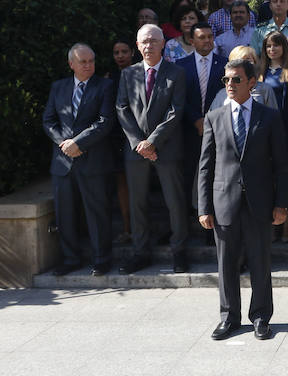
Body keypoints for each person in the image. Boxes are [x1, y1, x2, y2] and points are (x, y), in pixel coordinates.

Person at [198, 58, 288, 341]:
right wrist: (203, 207)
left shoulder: (269, 117)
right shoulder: (215, 117)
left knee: (260, 262)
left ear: (252, 82)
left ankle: (261, 317)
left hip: (259, 202)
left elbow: (280, 165)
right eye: (226, 80)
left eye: (236, 79)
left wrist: (281, 203)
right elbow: (206, 164)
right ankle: (229, 318)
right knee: (226, 265)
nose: (229, 85)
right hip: (224, 202)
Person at [116, 24, 188, 274]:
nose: (148, 46)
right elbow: (122, 109)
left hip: (166, 148)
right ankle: (140, 251)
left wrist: (153, 141)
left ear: (163, 44)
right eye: (144, 42)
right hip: (136, 151)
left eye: (153, 41)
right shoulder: (128, 74)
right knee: (137, 203)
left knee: (174, 201)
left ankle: (179, 251)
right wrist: (139, 143)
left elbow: (176, 111)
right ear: (137, 46)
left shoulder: (176, 73)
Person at [42, 43, 116, 276]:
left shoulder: (105, 86)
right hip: (63, 162)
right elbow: (49, 120)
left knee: (97, 213)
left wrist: (79, 143)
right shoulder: (59, 87)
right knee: (65, 214)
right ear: (71, 64)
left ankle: (101, 259)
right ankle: (70, 259)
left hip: (92, 160)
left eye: (91, 61)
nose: (88, 65)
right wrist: (66, 143)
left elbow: (105, 121)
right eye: (83, 62)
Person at [175, 23, 226, 222]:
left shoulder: (224, 64)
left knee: (213, 174)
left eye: (209, 37)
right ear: (192, 41)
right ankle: (188, 218)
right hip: (189, 129)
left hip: (217, 128)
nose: (207, 41)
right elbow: (179, 98)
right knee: (188, 174)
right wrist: (196, 119)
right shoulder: (181, 65)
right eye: (202, 37)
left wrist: (210, 120)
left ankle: (211, 222)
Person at [259, 31, 288, 243]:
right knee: (268, 177)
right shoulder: (259, 72)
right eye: (268, 46)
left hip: (287, 131)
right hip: (265, 134)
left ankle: (287, 223)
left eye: (276, 45)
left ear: (284, 47)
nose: (272, 49)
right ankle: (272, 222)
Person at [108, 40, 134, 243]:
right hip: (116, 136)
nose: (120, 56)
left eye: (124, 51)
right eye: (116, 52)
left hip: (139, 135)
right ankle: (127, 227)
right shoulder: (109, 79)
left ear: (132, 52)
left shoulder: (139, 73)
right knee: (122, 181)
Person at [210, 46, 279, 110]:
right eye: (240, 61)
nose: (244, 64)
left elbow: (273, 118)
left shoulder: (265, 90)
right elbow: (213, 119)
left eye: (248, 60)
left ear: (255, 63)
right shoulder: (222, 93)